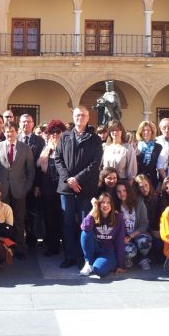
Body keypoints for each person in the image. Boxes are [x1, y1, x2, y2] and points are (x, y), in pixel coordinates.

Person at [54, 106, 103, 269]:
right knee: (67, 223)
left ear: (88, 118)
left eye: (83, 115)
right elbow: (58, 159)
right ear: (73, 117)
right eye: (77, 115)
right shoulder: (64, 137)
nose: (80, 118)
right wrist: (69, 179)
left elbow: (95, 163)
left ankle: (84, 257)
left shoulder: (95, 139)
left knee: (85, 223)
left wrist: (78, 179)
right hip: (67, 189)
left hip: (86, 188)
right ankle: (69, 256)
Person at [0, 121, 35, 252]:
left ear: (17, 132)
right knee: (2, 220)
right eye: (7, 131)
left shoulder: (25, 148)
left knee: (19, 220)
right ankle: (4, 249)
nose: (10, 134)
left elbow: (31, 170)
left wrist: (27, 188)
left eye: (12, 131)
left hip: (19, 190)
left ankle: (19, 248)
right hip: (1, 192)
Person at [37, 119, 66, 257]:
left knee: (63, 218)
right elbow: (39, 169)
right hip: (48, 188)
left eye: (58, 132)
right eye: (52, 132)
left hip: (63, 188)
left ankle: (65, 246)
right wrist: (38, 186)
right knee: (49, 218)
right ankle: (52, 246)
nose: (55, 135)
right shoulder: (46, 149)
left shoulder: (67, 147)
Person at [79, 192, 125, 277]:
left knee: (99, 270)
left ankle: (98, 264)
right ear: (99, 204)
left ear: (112, 204)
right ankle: (88, 263)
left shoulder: (118, 217)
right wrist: (94, 208)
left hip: (108, 252)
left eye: (108, 202)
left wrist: (120, 264)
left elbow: (120, 241)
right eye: (103, 202)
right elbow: (85, 227)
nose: (105, 205)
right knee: (85, 233)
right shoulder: (94, 214)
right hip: (95, 249)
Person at [18, 113, 45, 249]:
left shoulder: (39, 141)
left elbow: (40, 166)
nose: (25, 124)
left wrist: (38, 185)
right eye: (23, 122)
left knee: (31, 212)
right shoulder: (13, 138)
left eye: (28, 122)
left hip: (33, 183)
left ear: (33, 124)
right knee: (18, 213)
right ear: (19, 124)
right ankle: (18, 241)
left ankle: (31, 240)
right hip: (17, 184)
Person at [116, 182, 152, 270]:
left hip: (137, 234)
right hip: (123, 236)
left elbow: (144, 224)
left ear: (128, 191)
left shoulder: (139, 203)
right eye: (119, 191)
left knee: (144, 240)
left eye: (124, 190)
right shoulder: (115, 206)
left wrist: (131, 236)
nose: (122, 193)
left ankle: (143, 258)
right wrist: (123, 238)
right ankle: (128, 258)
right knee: (127, 250)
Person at [134, 174, 163, 263]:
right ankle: (142, 257)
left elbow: (157, 216)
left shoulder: (155, 197)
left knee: (158, 243)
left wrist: (156, 230)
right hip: (140, 229)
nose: (145, 189)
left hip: (153, 228)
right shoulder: (136, 200)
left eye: (146, 185)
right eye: (141, 187)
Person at [102, 120, 137, 184]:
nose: (115, 132)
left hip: (122, 183)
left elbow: (132, 170)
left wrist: (128, 187)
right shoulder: (106, 148)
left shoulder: (128, 148)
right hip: (108, 183)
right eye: (112, 130)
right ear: (109, 132)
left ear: (122, 131)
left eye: (117, 130)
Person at [135, 120, 162, 189]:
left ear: (152, 132)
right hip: (138, 180)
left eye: (148, 130)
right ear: (140, 132)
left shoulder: (158, 147)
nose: (146, 132)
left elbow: (160, 165)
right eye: (143, 130)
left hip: (153, 179)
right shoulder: (135, 145)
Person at [156, 118, 169, 183]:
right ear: (160, 128)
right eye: (164, 127)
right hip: (158, 176)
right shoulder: (156, 141)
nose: (167, 130)